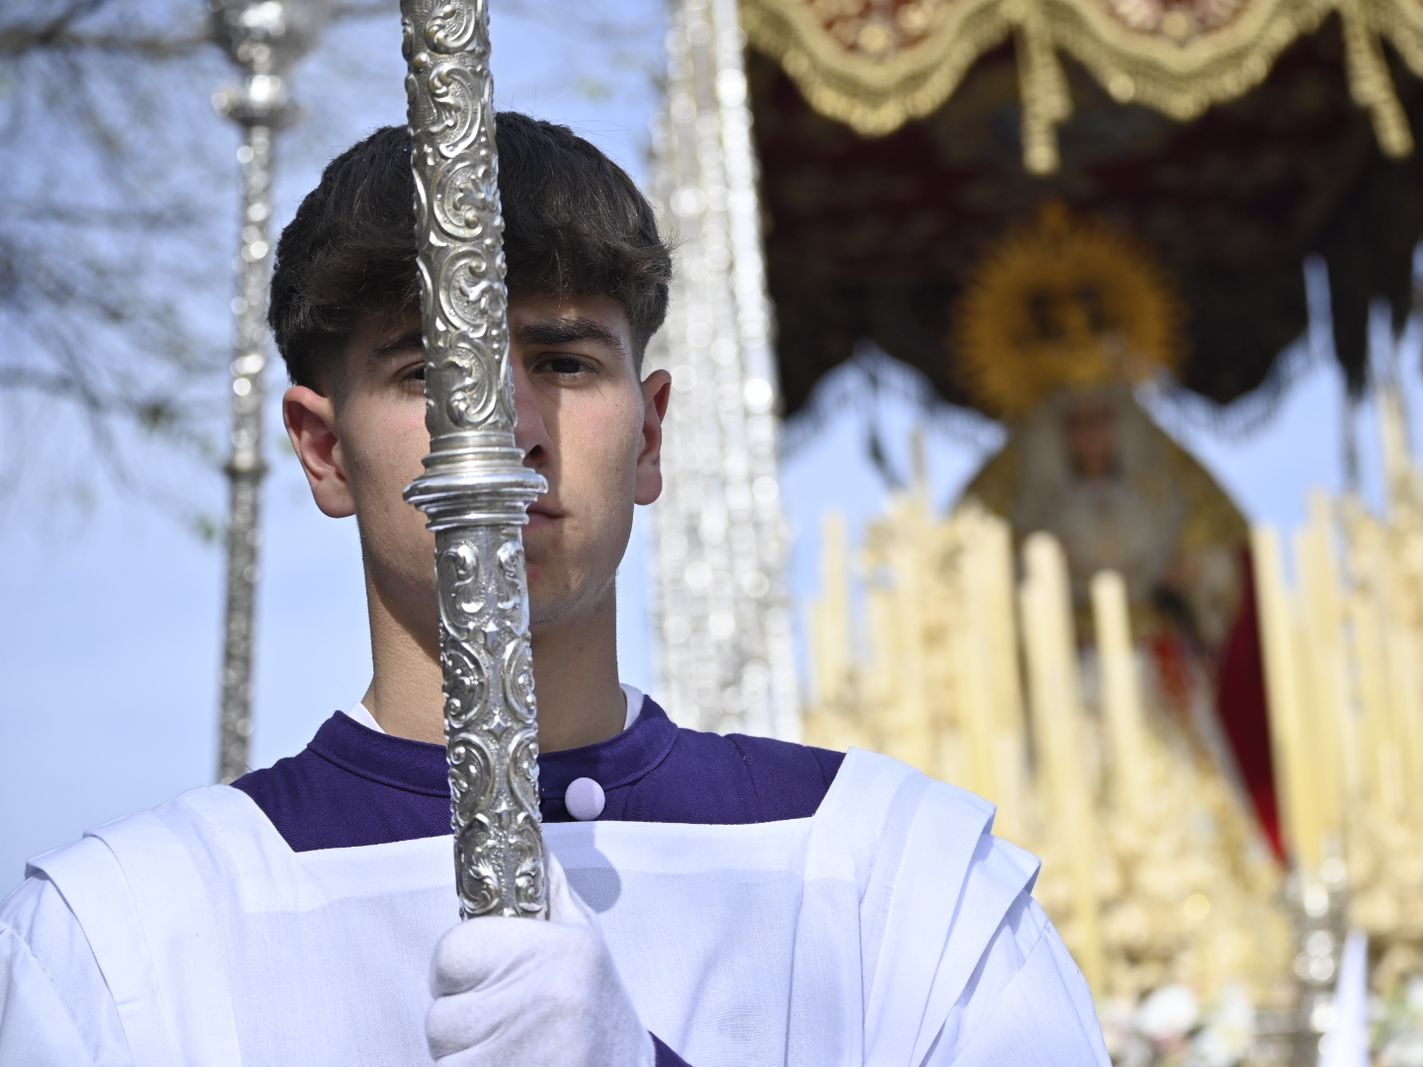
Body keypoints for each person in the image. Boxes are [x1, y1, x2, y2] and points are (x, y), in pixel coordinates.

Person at [0, 115, 1110, 1066]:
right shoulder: (125, 935)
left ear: (650, 433)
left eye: (566, 362)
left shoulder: (895, 878)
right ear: (324, 449)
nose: (509, 434)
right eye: (432, 374)